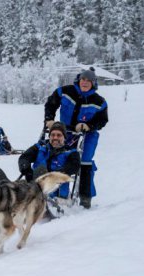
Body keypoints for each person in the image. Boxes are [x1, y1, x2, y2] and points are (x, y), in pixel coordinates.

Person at [43, 67, 108, 209]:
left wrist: (88, 125)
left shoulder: (99, 102)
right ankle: (52, 194)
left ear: (93, 83)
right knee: (56, 158)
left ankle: (85, 197)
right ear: (79, 80)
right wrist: (49, 119)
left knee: (84, 163)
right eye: (83, 79)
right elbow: (51, 104)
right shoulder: (65, 91)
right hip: (65, 132)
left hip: (87, 135)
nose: (85, 82)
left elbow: (102, 120)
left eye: (89, 81)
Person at [18, 122, 80, 199]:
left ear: (64, 137)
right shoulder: (39, 146)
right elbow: (24, 157)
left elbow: (75, 166)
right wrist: (26, 168)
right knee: (36, 172)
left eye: (59, 135)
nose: (55, 138)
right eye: (52, 135)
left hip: (56, 189)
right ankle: (12, 190)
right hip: (35, 182)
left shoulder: (71, 152)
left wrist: (59, 173)